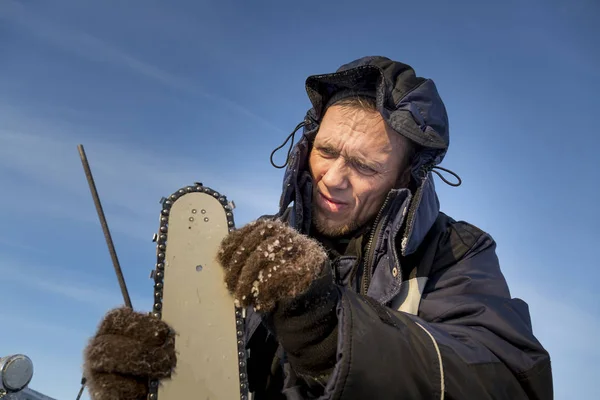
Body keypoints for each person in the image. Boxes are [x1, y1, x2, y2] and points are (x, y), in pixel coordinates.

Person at [82, 56, 553, 399]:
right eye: (325, 152)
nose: (333, 178)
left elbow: (509, 380)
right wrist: (146, 381)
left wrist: (334, 329)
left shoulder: (454, 252)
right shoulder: (262, 247)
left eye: (365, 166)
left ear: (405, 179)